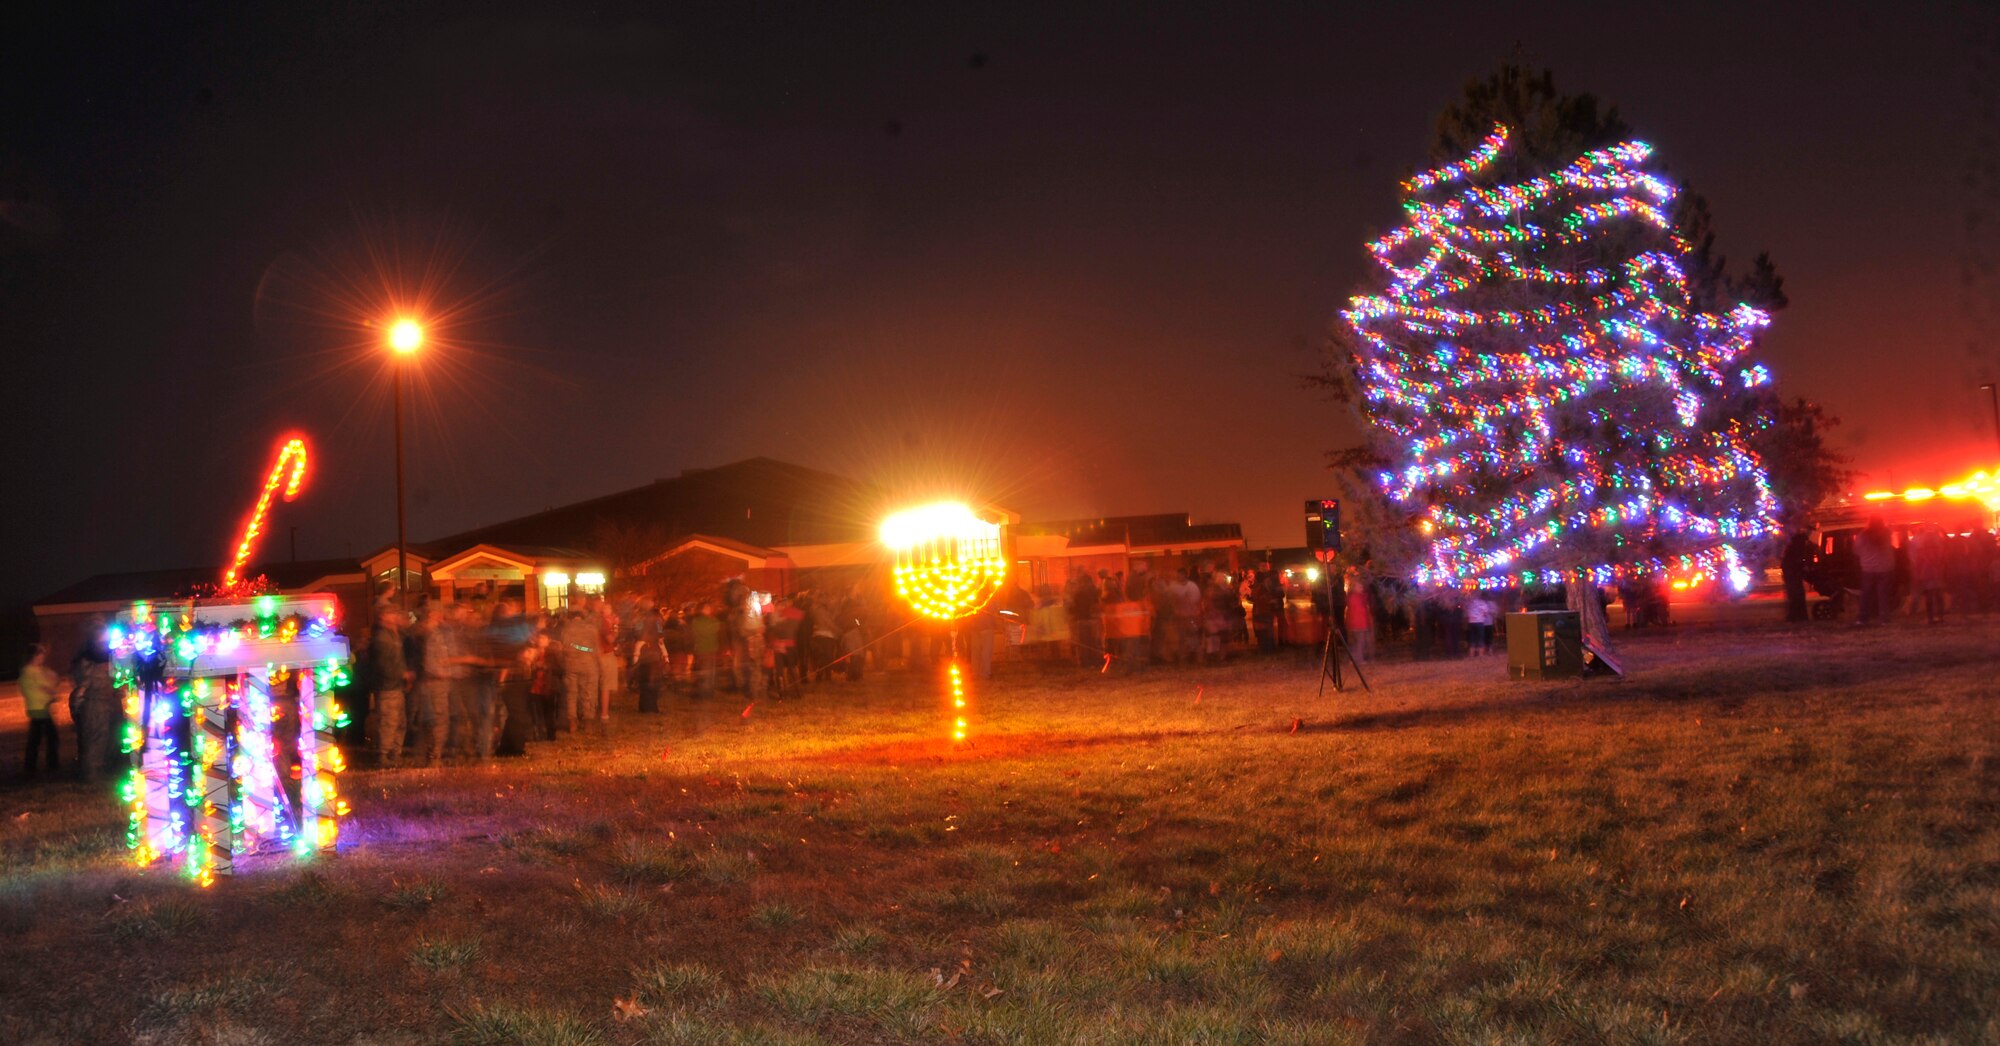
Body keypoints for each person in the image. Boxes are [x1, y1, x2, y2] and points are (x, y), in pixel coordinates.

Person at [368, 606, 412, 766]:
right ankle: (384, 754)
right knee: (389, 721)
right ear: (384, 616)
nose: (396, 617)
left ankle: (394, 753)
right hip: (388, 687)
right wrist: (401, 674)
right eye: (392, 614)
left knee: (399, 721)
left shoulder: (394, 635)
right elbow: (384, 665)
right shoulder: (382, 638)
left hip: (396, 686)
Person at [557, 608, 600, 732]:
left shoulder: (566, 629)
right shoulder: (591, 629)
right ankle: (588, 722)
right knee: (588, 694)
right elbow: (595, 648)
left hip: (570, 665)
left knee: (572, 694)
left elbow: (563, 648)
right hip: (588, 664)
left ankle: (572, 723)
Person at [22, 644, 62, 774]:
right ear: (35, 656)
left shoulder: (31, 671)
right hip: (40, 708)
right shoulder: (31, 671)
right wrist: (53, 693)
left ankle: (32, 765)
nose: (42, 658)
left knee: (37, 738)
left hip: (39, 708)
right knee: (48, 737)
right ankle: (50, 764)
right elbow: (46, 685)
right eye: (40, 655)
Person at [1855, 518, 1897, 625]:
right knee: (1883, 595)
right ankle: (1884, 618)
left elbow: (1856, 550)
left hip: (1868, 568)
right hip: (1885, 568)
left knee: (1866, 595)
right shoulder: (1886, 534)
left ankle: (1862, 618)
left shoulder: (1863, 536)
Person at [1909, 525, 1948, 625]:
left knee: (1929, 597)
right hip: (1938, 574)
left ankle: (1930, 618)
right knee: (1939, 596)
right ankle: (1941, 616)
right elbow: (1944, 562)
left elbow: (1917, 564)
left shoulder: (1921, 551)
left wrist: (1917, 576)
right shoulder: (1940, 551)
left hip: (1926, 575)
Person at [1343, 572, 1375, 663]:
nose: (1362, 588)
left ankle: (1354, 658)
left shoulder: (1357, 597)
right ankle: (1358, 659)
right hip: (1358, 624)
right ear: (1355, 587)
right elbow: (1359, 612)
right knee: (1360, 642)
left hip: (1357, 623)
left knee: (1357, 642)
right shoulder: (1355, 598)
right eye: (1360, 587)